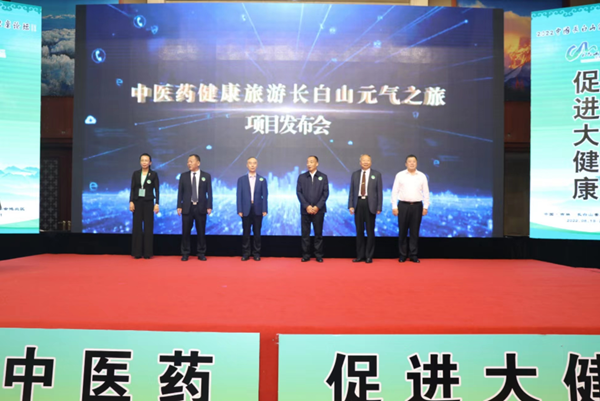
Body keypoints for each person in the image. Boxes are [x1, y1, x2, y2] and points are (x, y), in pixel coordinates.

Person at [391, 154, 430, 263]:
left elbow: (426, 192)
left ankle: (413, 254)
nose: (412, 163)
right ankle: (402, 255)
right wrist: (394, 206)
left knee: (414, 231)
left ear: (416, 163)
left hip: (417, 206)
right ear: (406, 163)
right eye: (409, 161)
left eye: (414, 161)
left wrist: (426, 206)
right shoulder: (400, 175)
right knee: (402, 231)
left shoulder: (422, 176)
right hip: (403, 205)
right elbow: (394, 192)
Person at [177, 154, 212, 261]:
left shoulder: (206, 176)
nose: (189, 163)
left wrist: (209, 206)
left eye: (191, 161)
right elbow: (180, 192)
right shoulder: (183, 176)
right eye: (188, 162)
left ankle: (201, 253)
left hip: (201, 207)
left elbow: (209, 192)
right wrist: (179, 206)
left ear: (198, 163)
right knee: (185, 232)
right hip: (187, 207)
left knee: (201, 231)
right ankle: (185, 253)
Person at [348, 154, 382, 264]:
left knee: (370, 231)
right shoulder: (355, 174)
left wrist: (379, 206)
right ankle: (360, 256)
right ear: (360, 162)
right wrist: (351, 205)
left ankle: (369, 256)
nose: (365, 162)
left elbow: (379, 192)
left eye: (367, 160)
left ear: (370, 162)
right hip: (358, 203)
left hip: (370, 205)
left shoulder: (376, 174)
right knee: (359, 231)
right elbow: (352, 191)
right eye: (363, 160)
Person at [296, 155, 329, 263]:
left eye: (311, 162)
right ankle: (306, 255)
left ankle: (318, 255)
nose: (309, 164)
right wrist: (307, 206)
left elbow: (325, 193)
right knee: (305, 234)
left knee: (318, 234)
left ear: (317, 164)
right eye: (308, 162)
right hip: (305, 210)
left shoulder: (323, 177)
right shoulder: (302, 177)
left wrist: (317, 207)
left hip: (319, 210)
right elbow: (299, 192)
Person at [237, 157, 268, 261]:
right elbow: (239, 196)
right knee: (246, 233)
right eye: (250, 163)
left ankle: (256, 253)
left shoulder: (262, 179)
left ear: (257, 165)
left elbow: (265, 196)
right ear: (247, 165)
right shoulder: (241, 180)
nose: (252, 165)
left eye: (254, 163)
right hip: (245, 209)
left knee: (257, 233)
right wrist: (239, 209)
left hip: (258, 209)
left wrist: (264, 209)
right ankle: (246, 253)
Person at [129, 153, 160, 259]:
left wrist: (157, 203)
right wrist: (131, 201)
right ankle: (137, 252)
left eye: (146, 160)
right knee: (137, 227)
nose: (144, 162)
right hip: (137, 202)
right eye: (142, 160)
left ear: (150, 162)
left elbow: (157, 190)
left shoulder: (154, 174)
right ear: (140, 162)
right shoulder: (136, 174)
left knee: (148, 227)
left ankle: (147, 253)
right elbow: (132, 188)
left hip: (148, 203)